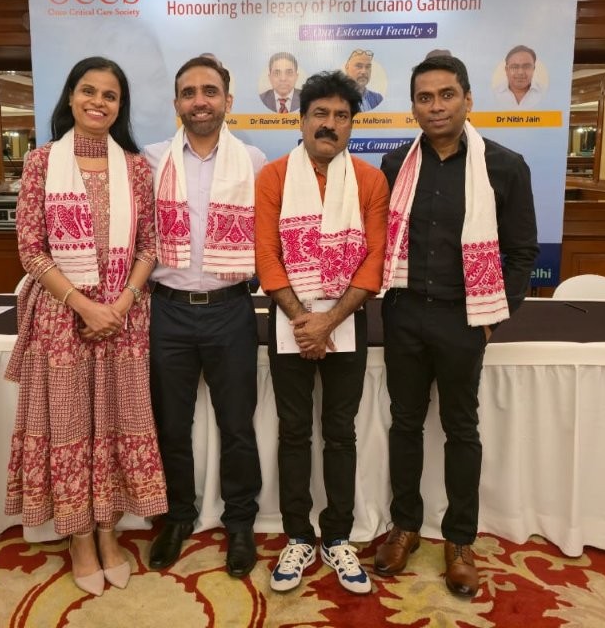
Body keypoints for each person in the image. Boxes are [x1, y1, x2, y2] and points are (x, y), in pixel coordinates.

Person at [4, 56, 167, 597]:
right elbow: (31, 249)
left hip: (124, 318)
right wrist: (83, 305)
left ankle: (108, 531)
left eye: (110, 95)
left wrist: (119, 304)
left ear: (120, 106)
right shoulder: (40, 162)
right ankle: (78, 536)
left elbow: (150, 247)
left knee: (117, 421)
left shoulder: (137, 168)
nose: (98, 102)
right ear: (71, 97)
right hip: (61, 319)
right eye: (88, 91)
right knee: (71, 426)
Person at [376, 55, 538, 596]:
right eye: (425, 98)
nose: (436, 106)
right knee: (404, 423)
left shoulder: (504, 166)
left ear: (468, 99)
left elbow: (522, 252)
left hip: (465, 319)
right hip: (404, 313)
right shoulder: (396, 164)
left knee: (461, 429)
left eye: (447, 95)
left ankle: (460, 539)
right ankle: (404, 525)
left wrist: (492, 321)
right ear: (413, 107)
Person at [255, 70, 389, 595]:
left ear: (352, 124)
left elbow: (374, 260)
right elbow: (267, 256)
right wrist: (302, 320)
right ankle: (297, 535)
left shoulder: (370, 181)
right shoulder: (273, 177)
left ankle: (336, 536)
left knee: (340, 432)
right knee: (293, 431)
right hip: (289, 320)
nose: (329, 124)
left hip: (346, 322)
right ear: (302, 119)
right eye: (320, 114)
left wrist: (328, 322)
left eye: (341, 116)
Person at [144, 56, 266, 578]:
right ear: (176, 103)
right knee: (171, 424)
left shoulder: (253, 161)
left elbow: (268, 234)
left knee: (237, 425)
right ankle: (178, 516)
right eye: (189, 92)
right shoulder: (151, 160)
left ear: (227, 101)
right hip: (167, 311)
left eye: (210, 91)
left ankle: (240, 522)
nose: (200, 101)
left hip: (230, 311)